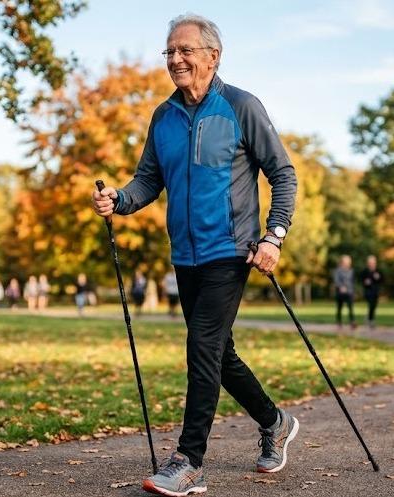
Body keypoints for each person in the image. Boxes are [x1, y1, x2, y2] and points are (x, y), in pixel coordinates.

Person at [91, 13, 298, 496]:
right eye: (170, 52)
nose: (176, 59)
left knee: (201, 348)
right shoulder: (162, 117)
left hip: (232, 250)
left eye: (185, 50)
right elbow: (148, 180)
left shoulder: (241, 107)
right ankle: (275, 421)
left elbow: (282, 173)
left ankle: (189, 462)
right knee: (219, 355)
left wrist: (274, 236)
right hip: (185, 256)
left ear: (212, 56)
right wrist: (118, 199)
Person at [359, 255, 384, 329]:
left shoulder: (378, 271)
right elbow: (361, 280)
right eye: (370, 262)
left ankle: (369, 317)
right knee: (371, 305)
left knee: (374, 306)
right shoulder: (365, 271)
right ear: (368, 263)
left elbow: (382, 280)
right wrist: (365, 282)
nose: (372, 264)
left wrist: (378, 278)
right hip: (368, 291)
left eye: (373, 262)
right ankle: (371, 320)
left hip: (375, 291)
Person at [332, 255, 356, 329]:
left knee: (351, 307)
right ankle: (339, 322)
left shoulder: (351, 271)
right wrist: (340, 287)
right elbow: (336, 281)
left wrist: (352, 290)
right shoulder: (338, 271)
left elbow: (352, 281)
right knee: (339, 308)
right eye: (346, 262)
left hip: (349, 292)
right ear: (342, 262)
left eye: (348, 262)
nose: (347, 263)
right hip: (340, 293)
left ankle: (352, 322)